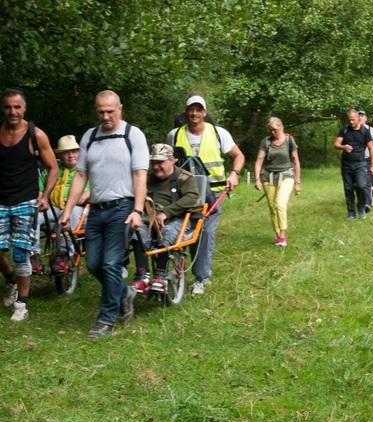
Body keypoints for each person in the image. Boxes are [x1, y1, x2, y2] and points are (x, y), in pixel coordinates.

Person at [60, 90, 149, 338]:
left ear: (120, 108)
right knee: (94, 264)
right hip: (96, 210)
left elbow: (140, 176)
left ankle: (105, 320)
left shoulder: (133, 135)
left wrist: (138, 210)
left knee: (111, 264)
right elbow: (80, 175)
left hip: (123, 208)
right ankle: (125, 293)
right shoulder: (90, 136)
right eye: (101, 111)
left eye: (110, 111)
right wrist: (68, 211)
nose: (106, 116)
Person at [168, 94, 244, 295]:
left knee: (206, 232)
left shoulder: (219, 133)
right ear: (186, 112)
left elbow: (238, 155)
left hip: (213, 193)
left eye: (198, 109)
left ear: (205, 112)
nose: (194, 113)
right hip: (184, 193)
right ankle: (184, 270)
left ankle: (200, 278)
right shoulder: (174, 135)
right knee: (187, 231)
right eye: (191, 109)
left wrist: (234, 174)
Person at [0, 89, 58, 321]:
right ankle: (11, 280)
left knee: (21, 252)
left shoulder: (36, 135)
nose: (12, 112)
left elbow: (53, 167)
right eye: (8, 107)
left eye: (17, 107)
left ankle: (22, 303)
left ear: (24, 108)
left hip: (26, 200)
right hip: (1, 200)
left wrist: (44, 196)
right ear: (2, 108)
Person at [129, 144, 200, 293]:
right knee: (137, 231)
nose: (155, 167)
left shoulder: (185, 178)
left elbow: (192, 198)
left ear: (172, 160)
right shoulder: (147, 179)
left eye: (159, 162)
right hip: (148, 219)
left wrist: (167, 212)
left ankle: (160, 275)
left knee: (167, 232)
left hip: (177, 219)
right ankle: (142, 275)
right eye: (153, 162)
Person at [31, 135, 91, 275]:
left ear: (79, 152)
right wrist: (41, 197)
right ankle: (34, 254)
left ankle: (63, 255)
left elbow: (99, 187)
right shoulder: (52, 170)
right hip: (53, 207)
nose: (70, 156)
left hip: (79, 209)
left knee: (72, 213)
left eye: (74, 151)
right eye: (65, 152)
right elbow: (39, 188)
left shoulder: (86, 169)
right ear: (58, 154)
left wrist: (87, 194)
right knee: (32, 212)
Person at [253, 117, 301, 247]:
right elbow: (259, 161)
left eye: (274, 129)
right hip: (268, 177)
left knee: (280, 204)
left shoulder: (289, 142)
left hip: (286, 175)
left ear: (281, 127)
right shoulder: (266, 142)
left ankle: (283, 236)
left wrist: (297, 182)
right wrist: (257, 179)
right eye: (270, 130)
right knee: (273, 208)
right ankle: (278, 235)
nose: (272, 132)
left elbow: (296, 162)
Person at [334, 109, 373, 219]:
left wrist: (372, 165)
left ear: (358, 118)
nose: (351, 122)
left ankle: (361, 207)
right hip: (346, 164)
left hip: (360, 163)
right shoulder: (344, 130)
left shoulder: (364, 131)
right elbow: (336, 144)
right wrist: (344, 147)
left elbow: (371, 149)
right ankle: (351, 213)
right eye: (349, 120)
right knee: (348, 189)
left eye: (353, 120)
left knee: (361, 186)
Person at [357, 110, 373, 210]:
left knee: (367, 181)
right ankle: (362, 200)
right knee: (358, 182)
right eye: (358, 116)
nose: (360, 118)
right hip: (356, 160)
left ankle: (367, 203)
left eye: (362, 116)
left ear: (366, 118)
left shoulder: (371, 130)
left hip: (368, 159)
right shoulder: (354, 130)